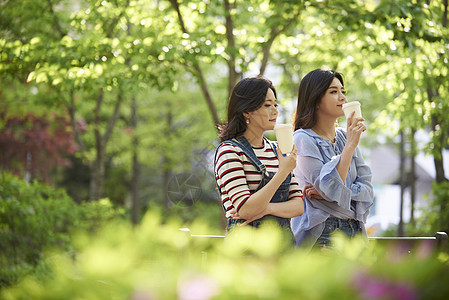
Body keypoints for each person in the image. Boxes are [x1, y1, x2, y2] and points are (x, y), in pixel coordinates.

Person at [290, 69, 374, 251]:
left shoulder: (345, 136)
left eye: (343, 91)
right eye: (333, 92)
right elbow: (328, 189)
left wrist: (338, 193)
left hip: (355, 232)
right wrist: (350, 147)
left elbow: (367, 189)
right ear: (315, 98)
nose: (343, 98)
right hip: (323, 233)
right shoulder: (303, 139)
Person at [214, 76, 304, 243]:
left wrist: (265, 209)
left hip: (282, 246)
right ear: (246, 110)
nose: (275, 111)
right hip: (246, 248)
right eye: (267, 105)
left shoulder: (277, 148)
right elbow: (247, 210)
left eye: (275, 105)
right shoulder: (230, 151)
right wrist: (283, 171)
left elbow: (298, 206)